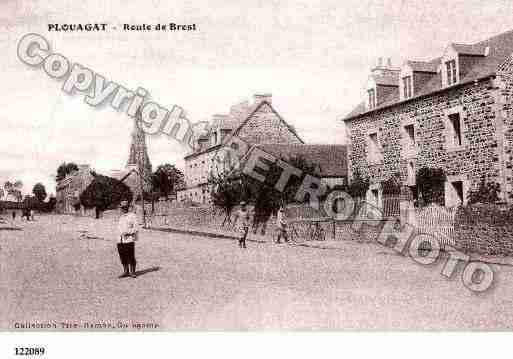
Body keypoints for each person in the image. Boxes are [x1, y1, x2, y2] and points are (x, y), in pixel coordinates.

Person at [117, 200, 139, 278]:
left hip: (129, 239)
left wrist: (128, 232)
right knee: (122, 256)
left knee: (130, 256)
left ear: (128, 207)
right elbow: (119, 228)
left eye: (125, 207)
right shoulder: (121, 217)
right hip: (120, 240)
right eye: (122, 207)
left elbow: (136, 228)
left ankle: (132, 272)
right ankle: (126, 271)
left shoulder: (132, 216)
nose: (123, 209)